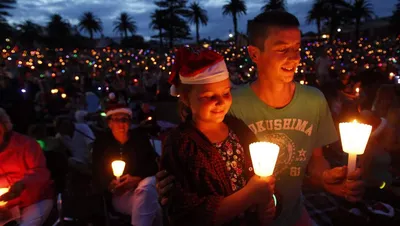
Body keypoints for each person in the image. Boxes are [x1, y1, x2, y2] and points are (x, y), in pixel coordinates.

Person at [157, 11, 365, 226]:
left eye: (297, 48)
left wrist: (327, 178)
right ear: (255, 54)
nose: (294, 58)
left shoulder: (314, 100)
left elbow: (316, 161)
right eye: (283, 49)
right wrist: (169, 185)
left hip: (290, 213)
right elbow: (192, 159)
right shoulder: (230, 110)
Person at [160, 47, 276, 226]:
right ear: (185, 98)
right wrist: (249, 195)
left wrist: (270, 202)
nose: (221, 102)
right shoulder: (180, 144)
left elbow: (264, 181)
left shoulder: (238, 129)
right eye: (208, 96)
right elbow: (183, 213)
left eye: (226, 93)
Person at [92, 103, 162, 226]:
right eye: (116, 120)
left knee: (147, 187)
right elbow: (96, 172)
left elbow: (154, 164)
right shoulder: (102, 143)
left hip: (143, 187)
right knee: (153, 207)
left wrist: (137, 179)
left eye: (124, 119)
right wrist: (110, 185)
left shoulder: (140, 139)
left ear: (129, 122)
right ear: (109, 123)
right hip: (120, 196)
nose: (121, 124)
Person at [0, 108, 54, 226]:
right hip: (6, 207)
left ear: (4, 126)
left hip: (36, 201)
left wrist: (22, 185)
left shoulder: (26, 144)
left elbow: (40, 172)